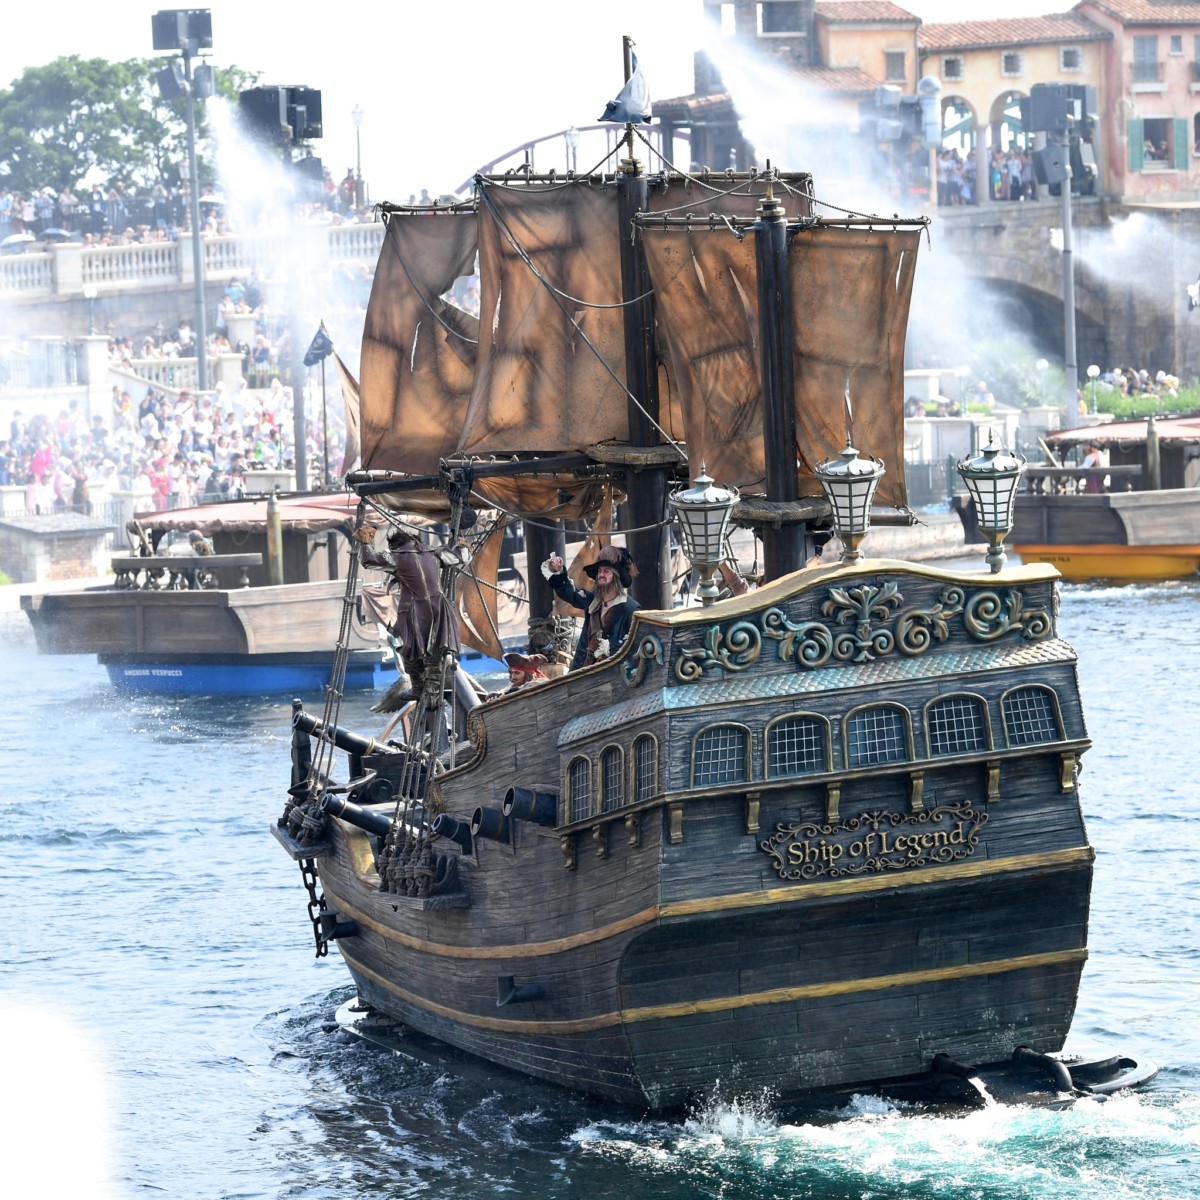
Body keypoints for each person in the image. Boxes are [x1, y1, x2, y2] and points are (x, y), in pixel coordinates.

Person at [355, 523, 461, 706]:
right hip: (440, 608)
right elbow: (461, 557)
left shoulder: (397, 556)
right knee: (435, 650)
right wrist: (461, 544)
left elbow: (368, 560)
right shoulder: (435, 553)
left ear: (395, 545)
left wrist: (365, 543)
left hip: (414, 611)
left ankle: (419, 689)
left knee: (411, 651)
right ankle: (433, 693)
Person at [541, 545, 640, 671]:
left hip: (611, 675)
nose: (601, 575)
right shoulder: (593, 601)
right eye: (599, 571)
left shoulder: (630, 609)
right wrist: (559, 572)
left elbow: (635, 649)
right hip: (582, 670)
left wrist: (610, 649)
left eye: (606, 571)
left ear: (616, 577)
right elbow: (570, 593)